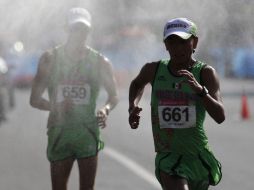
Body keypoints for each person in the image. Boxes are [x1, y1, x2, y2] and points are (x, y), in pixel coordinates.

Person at [128, 18, 225, 190]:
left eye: (183, 42)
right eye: (172, 42)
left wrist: (201, 91)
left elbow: (220, 116)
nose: (177, 48)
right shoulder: (154, 69)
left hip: (198, 156)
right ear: (165, 45)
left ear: (194, 42)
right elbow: (137, 84)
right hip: (169, 157)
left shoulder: (205, 73)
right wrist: (132, 106)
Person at [30, 7, 118, 190]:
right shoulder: (50, 59)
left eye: (83, 29)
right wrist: (55, 106)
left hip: (87, 132)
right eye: (74, 29)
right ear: (66, 29)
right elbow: (34, 99)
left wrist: (105, 110)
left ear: (89, 30)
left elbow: (114, 96)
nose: (79, 34)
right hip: (60, 132)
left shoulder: (100, 62)